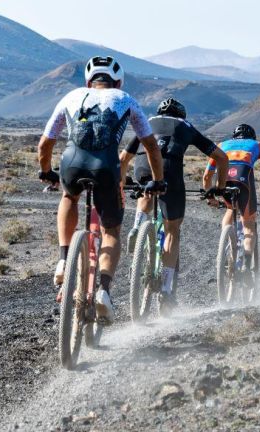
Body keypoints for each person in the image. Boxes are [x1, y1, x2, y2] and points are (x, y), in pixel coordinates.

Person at [37, 56, 166, 324]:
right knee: (111, 232)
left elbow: (45, 143)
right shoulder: (126, 99)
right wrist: (158, 179)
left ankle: (63, 259)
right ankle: (104, 291)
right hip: (106, 168)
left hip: (71, 165)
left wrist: (47, 171)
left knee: (69, 196)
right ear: (117, 80)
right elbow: (152, 147)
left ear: (88, 80)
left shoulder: (71, 96)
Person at [119, 97, 229, 313]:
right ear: (181, 114)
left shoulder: (146, 121)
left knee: (146, 189)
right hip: (169, 170)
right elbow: (221, 157)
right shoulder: (185, 125)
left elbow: (123, 158)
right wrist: (219, 188)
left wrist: (121, 183)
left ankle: (137, 226)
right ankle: (167, 290)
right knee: (172, 230)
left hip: (142, 165)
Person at [202, 123, 260, 272]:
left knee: (230, 208)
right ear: (252, 137)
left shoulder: (222, 144)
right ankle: (247, 264)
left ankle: (226, 248)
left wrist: (210, 198)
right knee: (248, 224)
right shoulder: (258, 145)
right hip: (243, 184)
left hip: (223, 183)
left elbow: (206, 176)